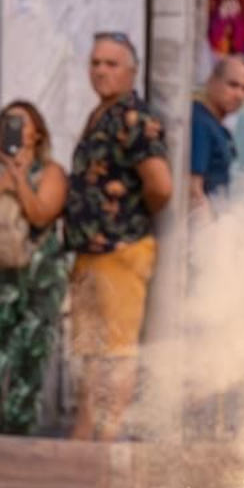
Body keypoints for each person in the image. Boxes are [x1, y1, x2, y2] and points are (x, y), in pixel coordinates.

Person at [63, 32, 172, 440]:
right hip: (91, 251)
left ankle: (107, 438)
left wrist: (127, 220)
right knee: (92, 351)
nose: (100, 71)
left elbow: (160, 185)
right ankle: (84, 434)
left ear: (132, 71)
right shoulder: (101, 114)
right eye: (95, 62)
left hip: (120, 249)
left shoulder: (134, 118)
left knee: (117, 352)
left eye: (111, 63)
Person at [0, 101, 70, 437]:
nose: (18, 131)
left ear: (38, 133)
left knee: (30, 355)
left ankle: (17, 432)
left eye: (24, 124)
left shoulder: (51, 172)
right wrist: (0, 181)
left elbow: (41, 214)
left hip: (39, 277)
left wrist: (20, 180)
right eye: (11, 123)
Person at [190, 56, 244, 216]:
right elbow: (193, 189)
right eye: (233, 85)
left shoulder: (216, 125)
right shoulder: (200, 122)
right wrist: (209, 232)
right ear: (212, 81)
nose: (239, 94)